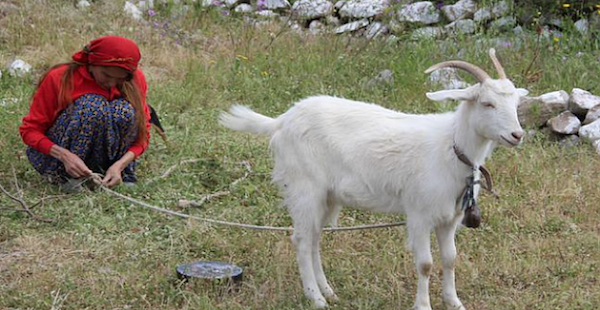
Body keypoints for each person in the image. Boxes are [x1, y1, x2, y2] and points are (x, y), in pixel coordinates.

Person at [19, 36, 151, 189]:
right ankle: (66, 177)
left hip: (110, 162)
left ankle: (112, 174)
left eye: (119, 79)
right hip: (59, 158)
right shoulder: (60, 78)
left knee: (124, 111)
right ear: (91, 63)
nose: (111, 83)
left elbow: (142, 136)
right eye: (106, 75)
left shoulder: (135, 81)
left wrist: (120, 166)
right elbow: (30, 130)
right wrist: (64, 155)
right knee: (92, 106)